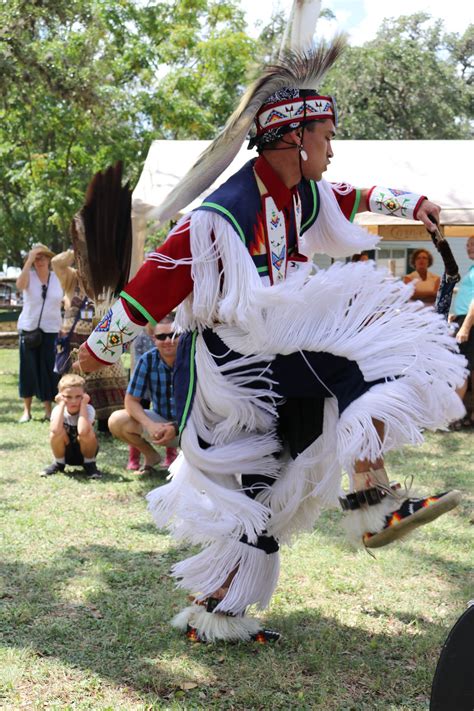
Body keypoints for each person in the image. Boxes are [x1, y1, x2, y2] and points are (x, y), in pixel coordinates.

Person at [76, 41, 466, 643]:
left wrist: (411, 202)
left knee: (266, 485)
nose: (332, 150)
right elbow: (153, 282)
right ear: (292, 137)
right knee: (356, 355)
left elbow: (352, 196)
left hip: (272, 357)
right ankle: (372, 499)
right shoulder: (221, 214)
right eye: (327, 136)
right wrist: (99, 347)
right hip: (234, 363)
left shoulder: (298, 195)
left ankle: (216, 612)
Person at [51, 249, 128, 433]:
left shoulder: (107, 282)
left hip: (104, 344)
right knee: (77, 383)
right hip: (75, 348)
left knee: (109, 381)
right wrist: (80, 247)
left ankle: (108, 424)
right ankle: (73, 424)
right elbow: (56, 263)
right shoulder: (72, 279)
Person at [108, 317, 179, 475]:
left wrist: (177, 427)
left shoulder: (193, 358)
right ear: (154, 339)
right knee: (116, 420)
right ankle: (151, 456)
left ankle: (189, 461)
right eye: (161, 337)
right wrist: (150, 425)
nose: (168, 340)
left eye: (173, 335)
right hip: (161, 421)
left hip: (192, 425)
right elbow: (131, 400)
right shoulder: (147, 360)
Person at [16, 243, 63, 422]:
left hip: (52, 328)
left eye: (43, 256)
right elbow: (20, 285)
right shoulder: (29, 276)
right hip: (29, 328)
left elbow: (65, 298)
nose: (39, 260)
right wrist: (28, 260)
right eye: (36, 257)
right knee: (27, 369)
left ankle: (48, 410)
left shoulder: (57, 277)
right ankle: (26, 411)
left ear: (49, 259)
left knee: (49, 369)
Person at [41, 373, 102, 479]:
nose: (73, 401)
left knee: (88, 432)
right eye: (68, 397)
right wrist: (61, 405)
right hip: (65, 453)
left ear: (84, 395)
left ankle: (90, 464)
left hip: (85, 452)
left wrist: (83, 405)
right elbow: (55, 431)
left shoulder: (88, 409)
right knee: (55, 432)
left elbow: (83, 431)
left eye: (78, 396)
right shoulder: (58, 410)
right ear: (60, 396)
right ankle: (59, 463)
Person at [450, 236, 474, 427]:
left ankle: (454, 417)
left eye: (473, 244)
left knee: (460, 370)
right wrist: (455, 314)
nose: (468, 248)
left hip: (469, 324)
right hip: (464, 318)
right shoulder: (471, 269)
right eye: (467, 245)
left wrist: (465, 326)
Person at [126, 322, 156, 470]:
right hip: (142, 384)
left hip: (160, 383)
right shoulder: (139, 334)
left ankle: (171, 455)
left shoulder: (167, 333)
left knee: (170, 414)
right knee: (136, 418)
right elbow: (138, 361)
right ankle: (134, 457)